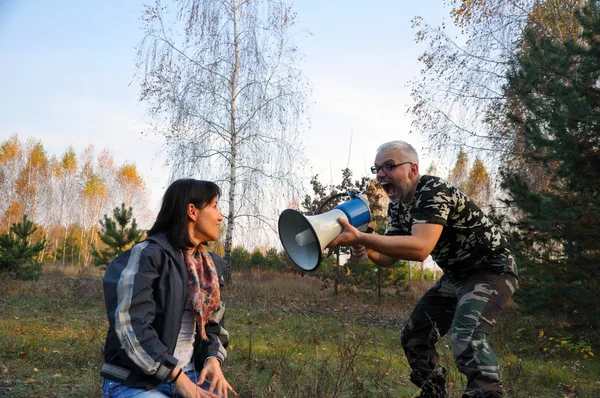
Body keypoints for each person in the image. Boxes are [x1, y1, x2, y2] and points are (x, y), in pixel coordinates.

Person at [328, 141, 518, 398]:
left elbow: (419, 249)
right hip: (456, 275)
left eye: (389, 166)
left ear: (412, 169)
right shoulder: (396, 205)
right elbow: (389, 257)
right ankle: (433, 392)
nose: (381, 174)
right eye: (377, 168)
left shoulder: (433, 190)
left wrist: (362, 238)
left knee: (467, 336)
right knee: (414, 336)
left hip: (491, 268)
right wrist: (368, 248)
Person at [101, 179, 237, 398]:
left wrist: (212, 359)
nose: (220, 216)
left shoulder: (208, 267)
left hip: (189, 375)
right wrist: (178, 379)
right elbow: (131, 327)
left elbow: (213, 325)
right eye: (214, 206)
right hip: (135, 381)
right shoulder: (147, 257)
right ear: (192, 211)